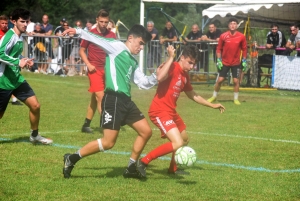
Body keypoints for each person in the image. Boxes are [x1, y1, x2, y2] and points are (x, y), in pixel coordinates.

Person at [61, 24, 157, 179]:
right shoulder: (117, 47)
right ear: (131, 38)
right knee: (108, 143)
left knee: (146, 132)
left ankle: (131, 168)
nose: (141, 48)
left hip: (126, 101)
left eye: (143, 46)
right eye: (140, 43)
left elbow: (143, 83)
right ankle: (71, 158)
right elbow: (96, 38)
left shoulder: (133, 61)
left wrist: (156, 76)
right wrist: (78, 31)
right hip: (113, 100)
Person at [136, 45, 225, 177]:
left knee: (184, 139)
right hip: (159, 111)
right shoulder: (172, 67)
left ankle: (173, 168)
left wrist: (212, 105)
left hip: (171, 112)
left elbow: (192, 95)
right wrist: (170, 57)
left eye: (193, 64)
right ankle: (143, 162)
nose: (191, 66)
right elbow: (160, 77)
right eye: (189, 62)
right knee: (177, 142)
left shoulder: (185, 75)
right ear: (182, 58)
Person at [0, 8, 53, 145]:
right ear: (13, 21)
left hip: (16, 79)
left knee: (35, 105)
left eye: (26, 21)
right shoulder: (9, 36)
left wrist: (24, 60)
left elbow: (13, 54)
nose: (25, 24)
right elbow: (0, 54)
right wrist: (18, 62)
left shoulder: (19, 36)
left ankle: (34, 135)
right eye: (22, 21)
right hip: (3, 81)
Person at [80, 9, 116, 133]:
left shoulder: (112, 35)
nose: (103, 24)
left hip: (106, 70)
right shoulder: (90, 34)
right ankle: (107, 124)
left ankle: (86, 125)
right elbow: (81, 51)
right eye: (101, 21)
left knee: (95, 98)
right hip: (94, 69)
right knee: (101, 96)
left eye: (106, 22)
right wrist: (88, 64)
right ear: (97, 20)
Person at [207, 18, 247, 105]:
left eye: (234, 24)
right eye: (231, 24)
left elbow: (244, 49)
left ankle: (236, 99)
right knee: (220, 80)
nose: (232, 25)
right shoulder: (223, 36)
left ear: (237, 25)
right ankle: (214, 96)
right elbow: (218, 49)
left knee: (236, 81)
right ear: (228, 25)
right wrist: (219, 60)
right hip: (225, 62)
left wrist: (244, 60)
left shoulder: (241, 36)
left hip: (236, 63)